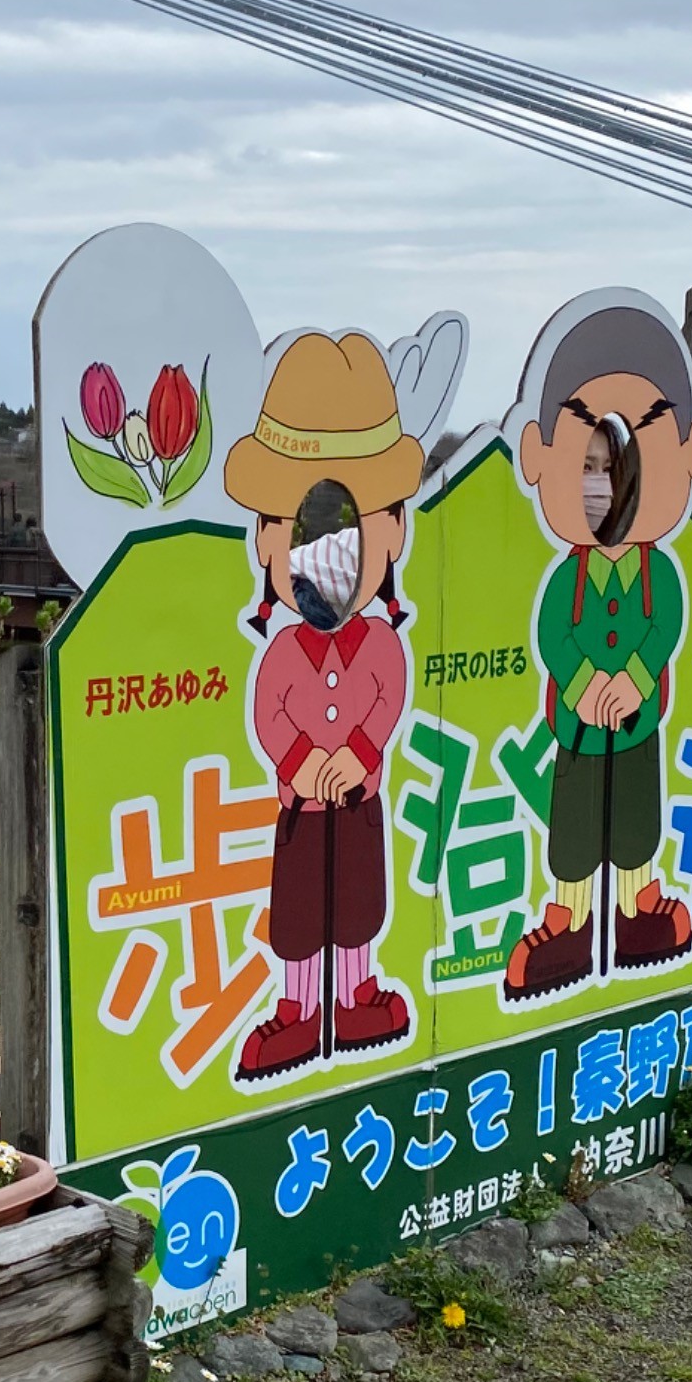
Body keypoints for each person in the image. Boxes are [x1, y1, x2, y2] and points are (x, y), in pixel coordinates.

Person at [223, 331, 421, 1083]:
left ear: (393, 529)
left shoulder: (379, 643)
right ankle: (299, 1010)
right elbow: (273, 718)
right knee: (302, 911)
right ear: (267, 537)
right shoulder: (280, 650)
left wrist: (359, 758)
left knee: (360, 900)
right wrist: (306, 765)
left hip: (358, 801)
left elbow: (385, 705)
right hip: (303, 809)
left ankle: (360, 990)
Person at [504, 303, 692, 1001]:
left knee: (635, 818)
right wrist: (588, 679)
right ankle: (569, 919)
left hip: (638, 723)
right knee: (577, 820)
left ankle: (636, 906)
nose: (596, 482)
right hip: (578, 725)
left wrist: (638, 680)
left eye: (608, 466)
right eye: (582, 464)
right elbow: (554, 634)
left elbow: (665, 625)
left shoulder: (656, 569)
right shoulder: (571, 572)